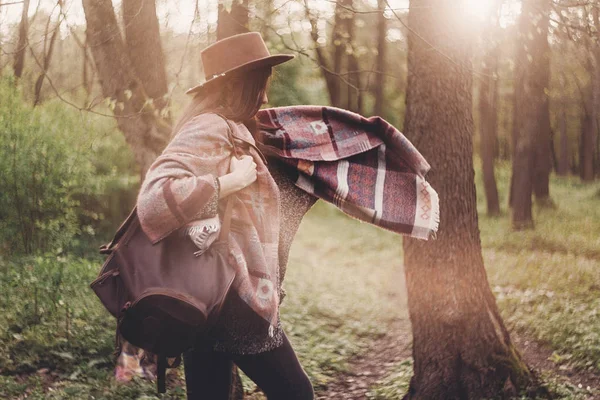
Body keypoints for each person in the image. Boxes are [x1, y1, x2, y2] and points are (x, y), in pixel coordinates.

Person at [136, 32, 315, 400]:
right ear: (240, 85)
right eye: (259, 85)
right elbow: (153, 201)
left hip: (208, 300)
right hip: (233, 301)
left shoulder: (231, 129)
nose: (264, 95)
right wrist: (227, 181)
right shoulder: (210, 127)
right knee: (297, 394)